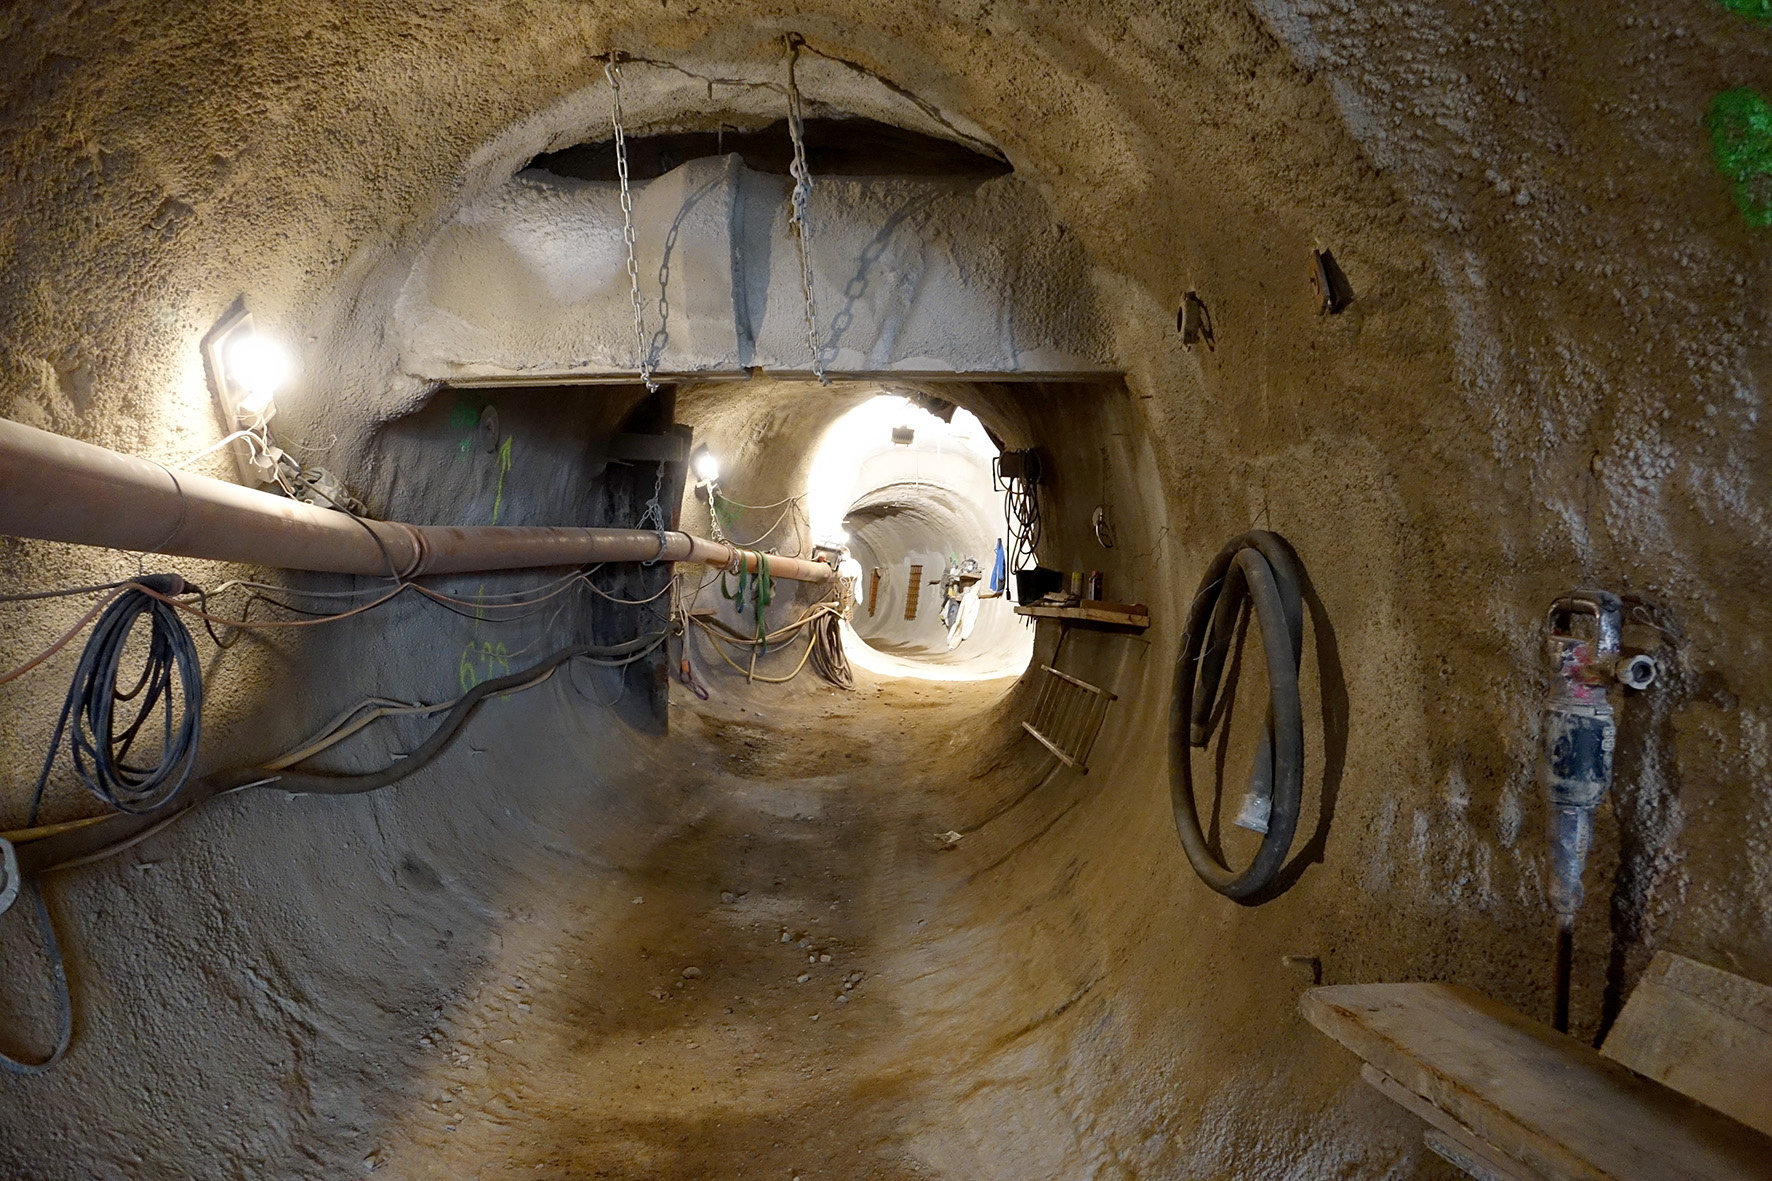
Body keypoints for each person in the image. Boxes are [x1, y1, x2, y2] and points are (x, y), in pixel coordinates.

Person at [835, 545, 864, 619]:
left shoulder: (853, 564)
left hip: (846, 592)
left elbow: (857, 582)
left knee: (845, 609)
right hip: (838, 590)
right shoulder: (853, 563)